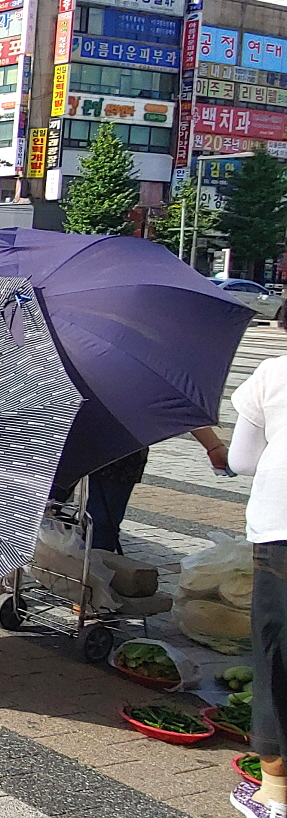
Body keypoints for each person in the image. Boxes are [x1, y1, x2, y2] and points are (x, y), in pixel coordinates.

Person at [231, 317, 287, 818]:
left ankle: (274, 792)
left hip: (280, 528)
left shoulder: (272, 374)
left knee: (276, 655)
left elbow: (242, 460)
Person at [53, 428, 228, 553]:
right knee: (45, 510)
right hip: (66, 439)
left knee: (102, 523)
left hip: (122, 447)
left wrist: (213, 447)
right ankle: (48, 567)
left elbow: (174, 401)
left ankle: (94, 583)